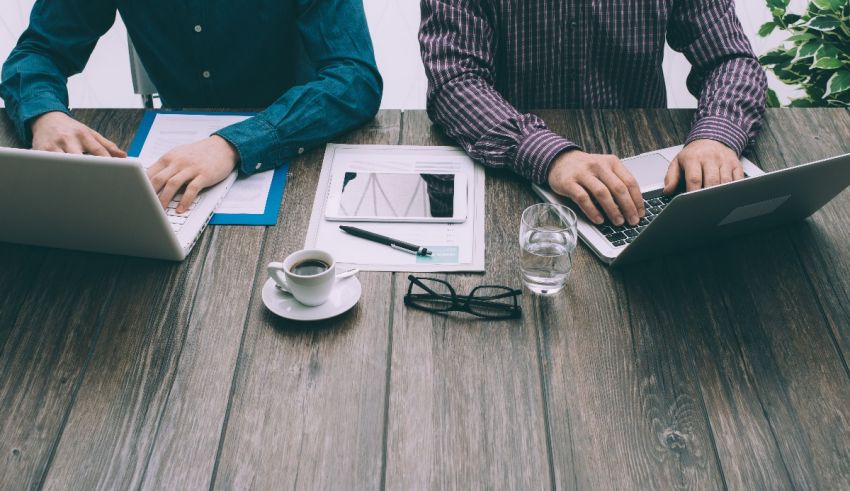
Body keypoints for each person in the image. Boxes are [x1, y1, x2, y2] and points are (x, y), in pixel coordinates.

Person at [1, 0, 382, 214]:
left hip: (300, 147)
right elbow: (37, 51)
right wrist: (44, 114)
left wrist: (233, 145)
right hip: (170, 157)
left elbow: (355, 78)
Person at [419, 0, 767, 227]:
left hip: (641, 184)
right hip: (507, 183)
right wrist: (551, 155)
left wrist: (715, 135)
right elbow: (454, 81)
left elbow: (730, 59)